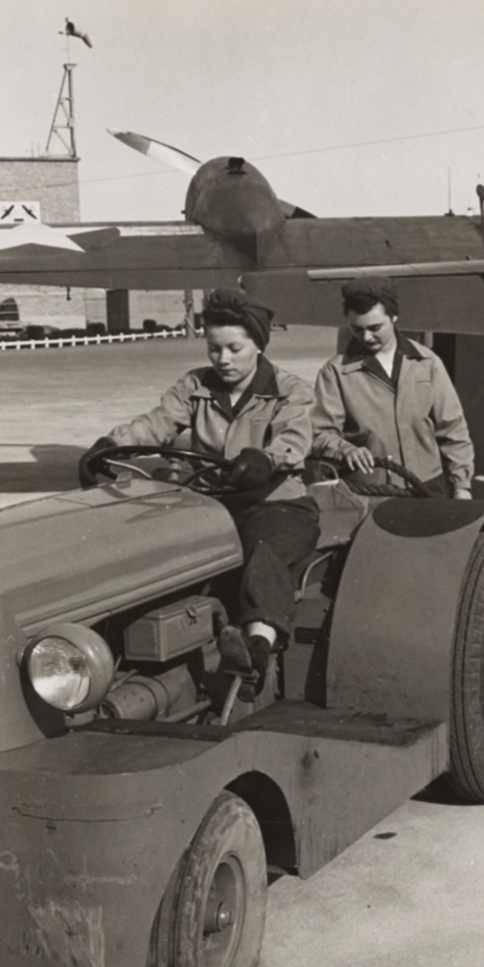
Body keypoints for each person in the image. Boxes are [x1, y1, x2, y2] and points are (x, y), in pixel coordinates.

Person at [79, 287, 320, 694]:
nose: (222, 359)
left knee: (263, 552)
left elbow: (293, 439)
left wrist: (265, 460)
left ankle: (256, 650)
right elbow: (156, 423)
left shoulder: (291, 391)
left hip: (276, 504)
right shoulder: (194, 386)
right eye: (214, 348)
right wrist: (110, 445)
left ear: (257, 346)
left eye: (234, 348)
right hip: (210, 504)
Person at [311, 276, 474, 498]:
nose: (366, 337)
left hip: (429, 490)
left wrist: (461, 486)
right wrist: (345, 449)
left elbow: (452, 429)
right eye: (356, 329)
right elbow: (320, 433)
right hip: (369, 494)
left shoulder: (427, 362)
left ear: (394, 316)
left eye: (375, 327)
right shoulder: (335, 372)